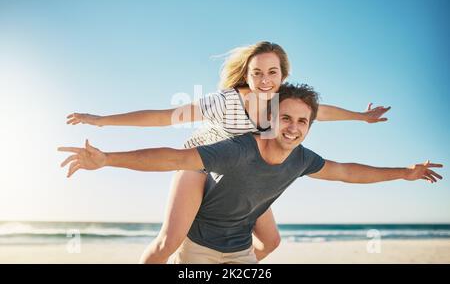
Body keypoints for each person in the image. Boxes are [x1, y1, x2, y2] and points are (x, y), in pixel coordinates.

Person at [65, 41, 391, 263]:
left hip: (240, 173)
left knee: (271, 241)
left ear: (284, 75)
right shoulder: (226, 101)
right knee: (169, 243)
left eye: (273, 73)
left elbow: (325, 111)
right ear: (247, 75)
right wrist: (102, 121)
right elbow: (164, 116)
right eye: (257, 73)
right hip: (198, 165)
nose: (265, 80)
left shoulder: (283, 106)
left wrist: (362, 116)